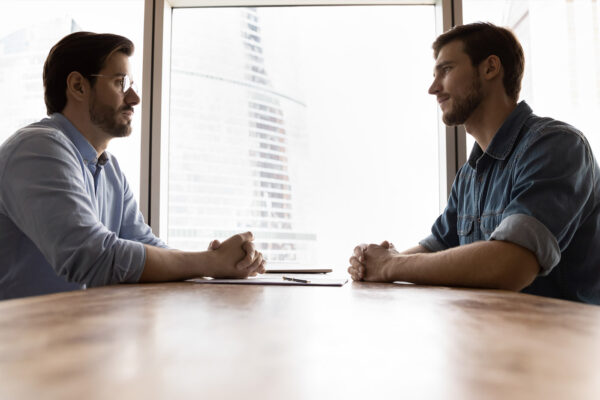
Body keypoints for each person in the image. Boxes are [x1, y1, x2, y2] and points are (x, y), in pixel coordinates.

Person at [348, 22, 600, 304]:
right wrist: (375, 262)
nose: (433, 88)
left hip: (564, 343)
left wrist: (390, 266)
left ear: (490, 68)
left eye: (446, 70)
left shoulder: (556, 146)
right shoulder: (470, 174)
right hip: (495, 336)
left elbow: (511, 265)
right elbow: (438, 247)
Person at [0, 32, 265, 300]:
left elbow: (146, 246)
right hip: (21, 337)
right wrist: (210, 262)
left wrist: (221, 261)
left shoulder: (109, 168)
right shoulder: (37, 149)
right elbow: (94, 256)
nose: (135, 98)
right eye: (120, 83)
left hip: (75, 331)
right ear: (78, 86)